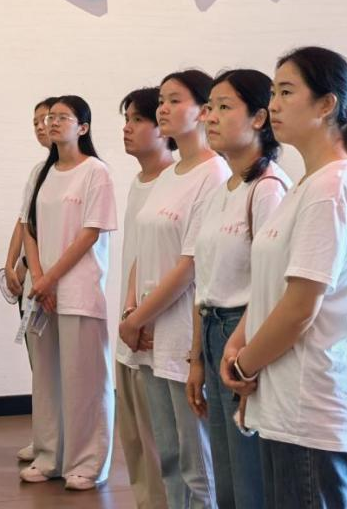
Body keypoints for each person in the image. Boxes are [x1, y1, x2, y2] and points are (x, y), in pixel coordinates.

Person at [221, 46, 347, 509]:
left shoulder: (331, 188)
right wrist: (237, 342)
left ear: (326, 104)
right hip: (283, 399)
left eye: (287, 92)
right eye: (273, 92)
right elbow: (275, 287)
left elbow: (299, 308)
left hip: (312, 402)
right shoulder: (307, 185)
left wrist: (244, 364)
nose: (273, 105)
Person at [120, 69, 230, 509]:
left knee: (196, 458)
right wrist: (132, 314)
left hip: (182, 330)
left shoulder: (214, 173)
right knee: (167, 453)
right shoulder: (169, 174)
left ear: (203, 111)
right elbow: (141, 250)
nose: (163, 108)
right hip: (148, 330)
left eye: (174, 100)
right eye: (162, 100)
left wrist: (138, 319)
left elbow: (190, 265)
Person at [188, 69, 290, 509]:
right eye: (209, 106)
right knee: (226, 467)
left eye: (225, 107)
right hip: (214, 327)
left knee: (249, 471)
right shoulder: (223, 188)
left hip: (244, 331)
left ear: (259, 118)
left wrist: (241, 349)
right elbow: (205, 279)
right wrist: (197, 358)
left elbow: (274, 284)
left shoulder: (269, 190)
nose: (210, 116)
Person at [20, 96, 118, 491]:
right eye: (49, 117)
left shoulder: (96, 172)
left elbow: (89, 234)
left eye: (63, 117)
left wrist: (51, 279)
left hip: (78, 291)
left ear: (83, 127)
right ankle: (49, 457)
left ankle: (88, 463)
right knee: (46, 380)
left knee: (84, 382)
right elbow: (28, 227)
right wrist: (38, 277)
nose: (53, 122)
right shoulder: (41, 172)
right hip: (41, 292)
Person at [116, 87, 173, 509]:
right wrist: (129, 314)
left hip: (157, 327)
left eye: (138, 119)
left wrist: (141, 317)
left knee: (163, 445)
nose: (127, 127)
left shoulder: (176, 181)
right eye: (127, 119)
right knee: (135, 439)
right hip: (131, 322)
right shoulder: (140, 182)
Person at [1, 96, 57, 464]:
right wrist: (11, 264)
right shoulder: (38, 171)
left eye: (48, 118)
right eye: (35, 121)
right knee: (40, 366)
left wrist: (37, 271)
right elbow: (24, 222)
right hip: (31, 283)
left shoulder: (85, 171)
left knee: (61, 369)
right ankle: (44, 439)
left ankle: (62, 443)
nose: (41, 126)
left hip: (54, 282)